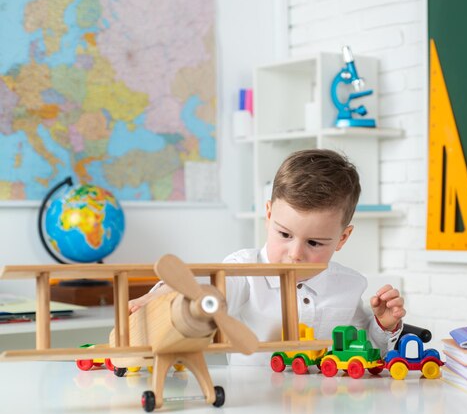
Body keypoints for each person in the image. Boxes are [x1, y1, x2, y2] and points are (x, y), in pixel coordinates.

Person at [129, 149, 406, 365]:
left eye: (313, 242)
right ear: (269, 215)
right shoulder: (244, 271)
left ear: (342, 238)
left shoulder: (349, 285)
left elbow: (367, 351)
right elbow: (208, 289)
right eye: (284, 235)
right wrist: (161, 296)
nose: (295, 254)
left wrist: (382, 326)